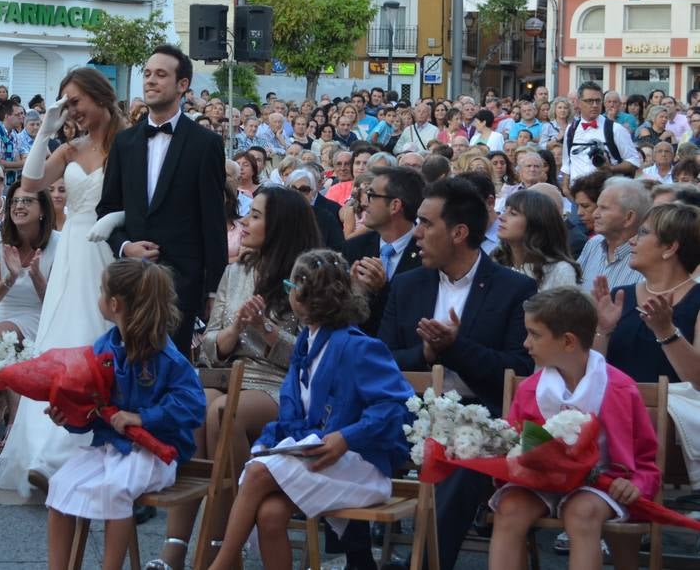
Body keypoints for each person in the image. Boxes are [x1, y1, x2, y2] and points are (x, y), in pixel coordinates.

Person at [209, 249, 413, 570]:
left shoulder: (359, 346)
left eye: (291, 284)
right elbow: (292, 412)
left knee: (260, 472)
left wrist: (346, 437)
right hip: (318, 454)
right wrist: (271, 444)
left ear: (302, 296)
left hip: (359, 462)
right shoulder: (306, 342)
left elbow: (396, 406)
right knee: (270, 514)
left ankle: (221, 564)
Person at [153, 187, 320, 570]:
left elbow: (313, 353)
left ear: (280, 225)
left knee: (222, 414)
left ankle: (222, 547)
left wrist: (265, 331)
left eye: (256, 216)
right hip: (227, 373)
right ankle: (176, 547)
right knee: (198, 409)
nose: (244, 221)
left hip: (279, 382)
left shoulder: (308, 275)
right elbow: (209, 343)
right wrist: (233, 334)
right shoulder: (236, 270)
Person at [378, 176, 536, 570]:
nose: (416, 233)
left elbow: (521, 369)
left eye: (426, 224)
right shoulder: (407, 285)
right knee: (348, 437)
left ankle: (427, 561)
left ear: (459, 232)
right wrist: (427, 352)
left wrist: (456, 349)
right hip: (411, 412)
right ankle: (356, 557)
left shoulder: (513, 289)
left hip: (482, 413)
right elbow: (382, 358)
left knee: (469, 450)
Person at [0, 67, 123, 496]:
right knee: (61, 340)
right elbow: (31, 183)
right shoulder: (71, 148)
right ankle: (45, 454)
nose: (72, 111)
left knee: (96, 338)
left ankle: (83, 450)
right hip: (72, 251)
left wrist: (116, 223)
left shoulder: (128, 143)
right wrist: (44, 133)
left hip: (108, 249)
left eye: (75, 101)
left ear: (99, 96)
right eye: (66, 103)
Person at [45, 260, 205, 570]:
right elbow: (92, 404)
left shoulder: (164, 354)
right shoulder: (104, 347)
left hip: (155, 453)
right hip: (111, 448)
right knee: (60, 484)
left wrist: (144, 418)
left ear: (114, 303)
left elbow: (193, 404)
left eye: (102, 291)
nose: (100, 296)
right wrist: (69, 416)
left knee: (116, 490)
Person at [489, 287, 658, 570]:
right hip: (541, 480)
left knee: (581, 512)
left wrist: (636, 484)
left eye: (535, 334)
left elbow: (644, 457)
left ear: (568, 341)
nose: (526, 343)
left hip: (601, 482)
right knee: (510, 508)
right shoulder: (530, 389)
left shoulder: (619, 388)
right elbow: (512, 445)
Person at [96, 46, 228, 353]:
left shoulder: (205, 143)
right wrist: (125, 247)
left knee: (169, 370)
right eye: (147, 74)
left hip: (182, 282)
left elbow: (213, 221)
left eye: (161, 74)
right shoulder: (124, 142)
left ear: (182, 85)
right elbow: (107, 209)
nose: (151, 81)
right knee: (127, 368)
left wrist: (212, 291)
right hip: (129, 280)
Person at [0, 181, 55, 453]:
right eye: (15, 201)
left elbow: (55, 301)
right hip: (2, 307)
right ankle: (7, 391)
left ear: (42, 209)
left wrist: (37, 276)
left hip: (38, 310)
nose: (19, 206)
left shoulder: (57, 242)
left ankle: (14, 425)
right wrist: (12, 276)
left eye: (27, 201)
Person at [593, 202, 700, 386]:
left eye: (643, 233)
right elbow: (593, 374)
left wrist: (666, 332)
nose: (632, 241)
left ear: (670, 248)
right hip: (618, 410)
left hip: (671, 413)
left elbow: (698, 380)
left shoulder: (696, 299)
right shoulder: (620, 296)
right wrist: (602, 330)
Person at [344, 166, 426, 338]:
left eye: (372, 195)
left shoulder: (426, 254)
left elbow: (414, 321)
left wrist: (382, 289)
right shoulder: (354, 248)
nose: (365, 202)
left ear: (395, 205)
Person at [494, 190, 580, 290]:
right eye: (505, 211)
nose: (501, 217)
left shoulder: (560, 271)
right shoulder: (496, 260)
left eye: (513, 213)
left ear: (536, 223)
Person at [578, 177, 649, 292]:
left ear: (629, 217)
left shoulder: (647, 259)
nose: (595, 214)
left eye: (604, 208)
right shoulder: (593, 243)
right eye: (597, 207)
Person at [564, 82, 639, 183]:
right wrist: (565, 188)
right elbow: (566, 164)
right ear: (578, 103)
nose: (594, 105)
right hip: (577, 193)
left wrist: (611, 168)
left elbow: (634, 162)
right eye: (589, 101)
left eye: (598, 101)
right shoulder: (571, 129)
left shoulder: (615, 129)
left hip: (607, 192)